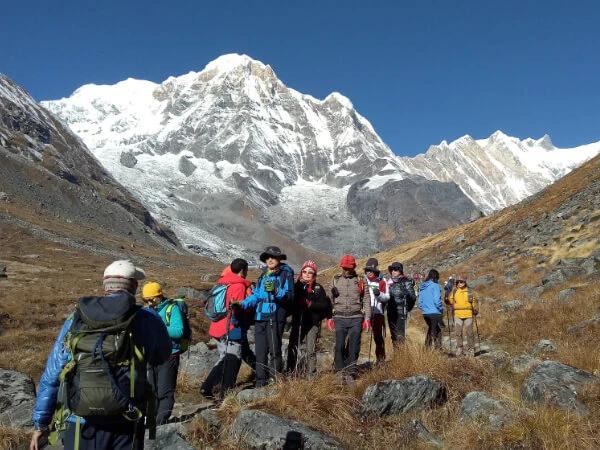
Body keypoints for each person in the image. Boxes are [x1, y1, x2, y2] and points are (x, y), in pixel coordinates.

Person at [30, 260, 171, 450]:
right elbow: (162, 355)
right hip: (126, 420)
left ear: (106, 286)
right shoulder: (147, 319)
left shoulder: (77, 318)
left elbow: (53, 374)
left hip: (80, 422)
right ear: (134, 287)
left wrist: (40, 423)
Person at [238, 246, 294, 387]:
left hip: (275, 316)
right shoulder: (263, 275)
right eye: (267, 257)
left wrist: (276, 291)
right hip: (260, 317)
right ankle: (261, 381)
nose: (269, 259)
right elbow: (257, 295)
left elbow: (290, 296)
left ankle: (276, 381)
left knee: (274, 350)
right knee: (260, 350)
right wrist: (242, 304)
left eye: (273, 257)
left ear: (279, 259)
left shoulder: (286, 273)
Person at [201, 259, 252, 397]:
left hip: (216, 326)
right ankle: (226, 393)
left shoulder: (222, 282)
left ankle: (207, 386)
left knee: (224, 358)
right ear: (242, 270)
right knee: (233, 358)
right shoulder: (239, 285)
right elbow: (239, 308)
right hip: (230, 328)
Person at [142, 282, 184, 424]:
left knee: (165, 391)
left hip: (169, 355)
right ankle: (150, 421)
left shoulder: (172, 309)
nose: (149, 302)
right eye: (146, 300)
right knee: (151, 389)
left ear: (159, 296)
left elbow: (178, 331)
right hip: (151, 355)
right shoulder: (146, 311)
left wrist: (158, 327)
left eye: (151, 299)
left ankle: (160, 422)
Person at [327, 255, 371, 382]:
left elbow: (367, 299)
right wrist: (329, 317)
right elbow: (330, 299)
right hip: (339, 317)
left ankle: (351, 371)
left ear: (354, 267)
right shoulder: (335, 279)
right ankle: (339, 371)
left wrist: (367, 318)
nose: (346, 270)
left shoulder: (361, 280)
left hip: (356, 317)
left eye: (349, 268)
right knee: (339, 344)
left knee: (354, 345)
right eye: (344, 268)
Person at [286, 260, 332, 377]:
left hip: (312, 323)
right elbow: (289, 302)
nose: (307, 274)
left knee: (310, 350)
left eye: (310, 272)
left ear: (314, 274)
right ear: (301, 272)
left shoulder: (318, 288)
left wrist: (310, 304)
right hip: (298, 322)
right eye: (304, 271)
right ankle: (291, 373)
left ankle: (311, 375)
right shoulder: (296, 286)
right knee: (293, 347)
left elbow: (324, 305)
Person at [363, 258, 389, 364]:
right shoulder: (361, 282)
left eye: (371, 270)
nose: (369, 272)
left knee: (378, 337)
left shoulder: (382, 282)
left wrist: (379, 294)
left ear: (375, 271)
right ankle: (351, 361)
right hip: (363, 313)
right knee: (354, 337)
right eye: (367, 270)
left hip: (378, 313)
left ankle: (380, 360)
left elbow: (387, 297)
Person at [386, 262, 416, 346]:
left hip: (401, 312)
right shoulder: (389, 282)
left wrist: (406, 308)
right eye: (392, 270)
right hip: (390, 312)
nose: (393, 271)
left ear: (400, 270)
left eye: (395, 269)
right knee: (393, 336)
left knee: (400, 336)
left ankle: (402, 356)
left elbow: (413, 298)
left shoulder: (406, 281)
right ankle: (397, 356)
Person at [448, 274, 478, 356]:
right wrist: (447, 299)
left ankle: (471, 349)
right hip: (457, 314)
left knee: (470, 333)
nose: (460, 283)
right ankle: (459, 348)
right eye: (458, 282)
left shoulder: (470, 291)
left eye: (462, 281)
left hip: (468, 314)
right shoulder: (454, 291)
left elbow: (475, 301)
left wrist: (475, 309)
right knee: (458, 333)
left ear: (465, 282)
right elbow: (450, 301)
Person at [418, 269, 444, 349]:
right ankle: (437, 350)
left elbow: (420, 302)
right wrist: (441, 309)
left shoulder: (422, 287)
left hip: (425, 313)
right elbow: (437, 301)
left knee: (431, 329)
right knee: (436, 331)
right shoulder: (435, 286)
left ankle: (427, 349)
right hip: (434, 312)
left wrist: (425, 309)